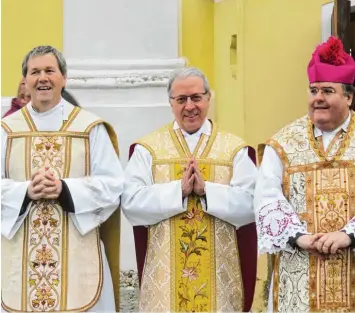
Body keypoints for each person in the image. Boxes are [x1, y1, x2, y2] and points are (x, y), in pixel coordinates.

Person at [122, 67, 258, 312]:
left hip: (220, 281)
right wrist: (178, 191)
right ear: (170, 102)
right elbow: (131, 204)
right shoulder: (148, 149)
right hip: (164, 283)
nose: (190, 106)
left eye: (196, 97)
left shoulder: (233, 149)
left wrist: (208, 191)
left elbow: (252, 204)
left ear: (208, 98)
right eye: (181, 99)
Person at [1, 45, 123, 312]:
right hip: (19, 256)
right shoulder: (7, 131)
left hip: (78, 256)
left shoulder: (90, 128)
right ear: (26, 81)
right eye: (35, 72)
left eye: (49, 70)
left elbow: (113, 185)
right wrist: (25, 191)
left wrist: (65, 189)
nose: (42, 78)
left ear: (63, 78)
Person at [254, 36, 355, 312]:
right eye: (313, 91)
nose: (318, 98)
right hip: (299, 271)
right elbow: (266, 197)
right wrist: (297, 236)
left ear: (348, 96)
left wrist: (349, 234)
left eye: (327, 91)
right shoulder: (283, 143)